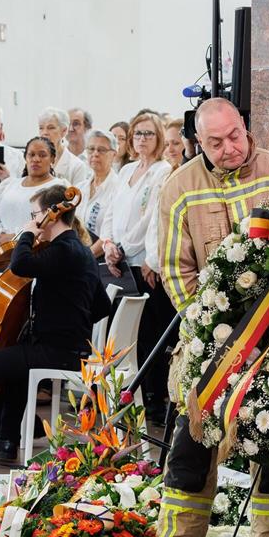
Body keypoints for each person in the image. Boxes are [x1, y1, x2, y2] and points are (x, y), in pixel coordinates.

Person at [149, 98, 269, 537]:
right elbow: (176, 269)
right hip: (209, 344)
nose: (229, 147)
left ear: (245, 127)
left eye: (234, 135)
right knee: (190, 444)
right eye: (215, 142)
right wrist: (212, 327)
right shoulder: (178, 188)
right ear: (198, 142)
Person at [0, 184, 111, 466]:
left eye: (34, 214)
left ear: (50, 216)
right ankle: (6, 440)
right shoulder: (77, 250)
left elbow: (19, 265)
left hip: (56, 351)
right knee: (13, 366)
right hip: (67, 347)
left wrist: (28, 232)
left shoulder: (63, 250)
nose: (31, 220)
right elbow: (102, 306)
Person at [102, 112, 172, 419]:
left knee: (150, 335)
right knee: (125, 336)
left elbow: (154, 217)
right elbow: (110, 213)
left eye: (148, 134)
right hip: (120, 262)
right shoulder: (126, 169)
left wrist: (131, 250)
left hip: (144, 262)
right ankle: (129, 397)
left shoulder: (163, 170)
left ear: (158, 139)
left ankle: (154, 400)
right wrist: (108, 245)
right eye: (138, 134)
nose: (142, 139)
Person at [0, 137, 66, 248]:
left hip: (36, 251)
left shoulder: (59, 187)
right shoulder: (8, 184)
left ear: (52, 159)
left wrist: (15, 238)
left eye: (42, 155)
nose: (36, 159)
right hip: (0, 252)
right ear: (25, 158)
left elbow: (55, 225)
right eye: (31, 155)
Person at [76, 130, 126, 258]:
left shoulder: (119, 188)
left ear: (114, 154)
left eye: (101, 150)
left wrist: (86, 259)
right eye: (91, 149)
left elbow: (111, 233)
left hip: (101, 259)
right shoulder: (80, 188)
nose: (95, 154)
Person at [38, 107, 90, 186]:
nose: (45, 133)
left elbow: (78, 196)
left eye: (51, 128)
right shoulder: (32, 160)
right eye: (41, 128)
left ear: (64, 131)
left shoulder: (77, 166)